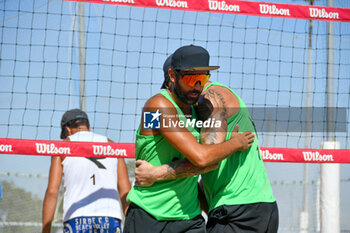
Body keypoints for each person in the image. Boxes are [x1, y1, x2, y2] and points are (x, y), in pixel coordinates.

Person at [134, 58, 279, 232]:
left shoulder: (207, 101)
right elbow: (203, 169)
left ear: (172, 79)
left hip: (235, 208)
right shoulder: (193, 109)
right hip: (261, 205)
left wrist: (155, 173)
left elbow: (206, 159)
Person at [42, 109, 131, 233]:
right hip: (110, 217)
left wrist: (45, 230)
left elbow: (52, 191)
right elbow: (125, 191)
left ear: (67, 129)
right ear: (88, 127)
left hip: (77, 217)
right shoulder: (113, 146)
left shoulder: (62, 147)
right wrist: (133, 223)